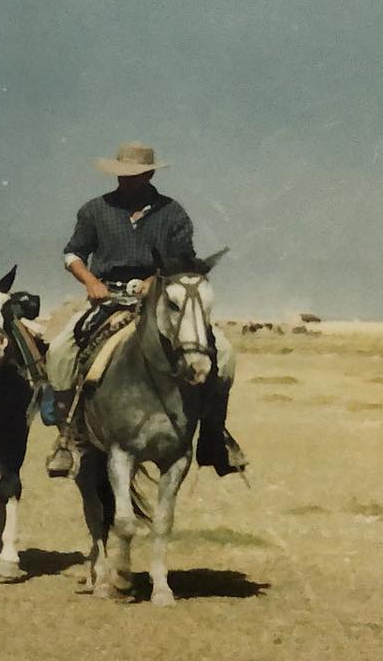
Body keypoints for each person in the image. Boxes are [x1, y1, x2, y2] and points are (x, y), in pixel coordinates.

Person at [43, 142, 247, 477]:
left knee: (223, 354)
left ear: (150, 174)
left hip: (162, 300)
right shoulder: (95, 210)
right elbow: (72, 254)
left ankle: (214, 436)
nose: (128, 181)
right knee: (61, 351)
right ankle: (69, 437)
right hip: (107, 298)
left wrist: (155, 281)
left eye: (135, 175)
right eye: (123, 175)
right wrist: (92, 282)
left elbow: (183, 261)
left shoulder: (173, 213)